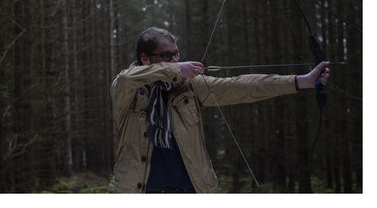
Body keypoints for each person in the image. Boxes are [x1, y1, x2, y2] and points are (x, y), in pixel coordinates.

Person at [109, 27, 330, 193]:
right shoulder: (128, 89)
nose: (176, 60)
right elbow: (128, 78)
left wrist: (301, 81)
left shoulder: (188, 86)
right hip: (140, 191)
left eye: (177, 54)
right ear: (144, 59)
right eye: (168, 56)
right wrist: (176, 69)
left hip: (191, 190)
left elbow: (241, 86)